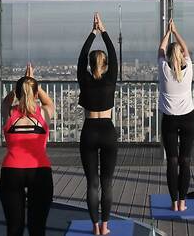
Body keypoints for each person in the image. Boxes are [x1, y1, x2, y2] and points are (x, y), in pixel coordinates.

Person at [0, 63, 55, 236]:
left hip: (11, 171)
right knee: (37, 229)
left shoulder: (9, 113)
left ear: (17, 94)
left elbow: (6, 100)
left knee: (14, 228)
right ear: (36, 94)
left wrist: (22, 83)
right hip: (40, 171)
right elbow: (48, 101)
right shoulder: (44, 113)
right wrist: (33, 82)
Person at [78, 13, 118, 235]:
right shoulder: (111, 78)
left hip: (89, 130)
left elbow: (81, 57)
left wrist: (93, 33)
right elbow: (113, 54)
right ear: (105, 64)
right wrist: (104, 31)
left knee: (92, 182)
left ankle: (95, 227)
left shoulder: (84, 80)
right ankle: (105, 226)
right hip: (108, 130)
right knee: (107, 182)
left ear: (91, 64)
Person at [158, 19, 194, 211]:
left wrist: (167, 33)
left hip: (170, 120)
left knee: (172, 161)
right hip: (188, 118)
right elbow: (186, 49)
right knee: (186, 161)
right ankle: (183, 203)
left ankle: (174, 203)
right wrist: (176, 31)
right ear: (180, 55)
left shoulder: (164, 70)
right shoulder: (188, 68)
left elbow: (161, 49)